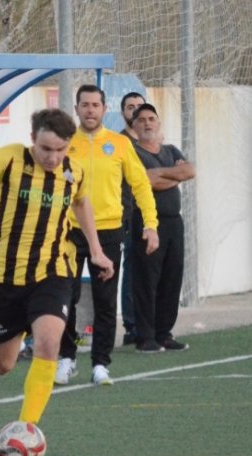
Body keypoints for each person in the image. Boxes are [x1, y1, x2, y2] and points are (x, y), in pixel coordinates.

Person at [0, 108, 113, 426]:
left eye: (60, 150)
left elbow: (82, 202)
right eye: (46, 149)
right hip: (4, 278)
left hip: (52, 272)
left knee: (48, 342)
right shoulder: (12, 158)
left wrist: (97, 251)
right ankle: (23, 328)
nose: (53, 157)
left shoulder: (74, 171)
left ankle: (26, 427)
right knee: (2, 365)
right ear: (33, 140)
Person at [55, 85, 159, 387]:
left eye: (95, 105)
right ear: (76, 109)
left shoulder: (119, 144)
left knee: (104, 301)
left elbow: (140, 185)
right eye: (84, 104)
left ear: (104, 109)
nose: (90, 110)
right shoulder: (63, 144)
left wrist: (150, 224)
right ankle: (67, 358)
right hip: (69, 233)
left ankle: (100, 363)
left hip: (110, 232)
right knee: (65, 297)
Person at [130, 103, 196, 352]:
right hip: (147, 223)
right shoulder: (132, 152)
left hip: (173, 222)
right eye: (142, 120)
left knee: (172, 278)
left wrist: (162, 174)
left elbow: (189, 171)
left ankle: (164, 333)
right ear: (134, 126)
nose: (147, 123)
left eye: (151, 119)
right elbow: (144, 180)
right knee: (147, 279)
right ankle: (145, 336)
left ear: (158, 123)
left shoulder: (170, 149)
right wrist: (174, 175)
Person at [119, 91, 147, 346]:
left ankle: (148, 321)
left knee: (145, 269)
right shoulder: (119, 143)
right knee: (130, 268)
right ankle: (131, 325)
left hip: (149, 215)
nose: (136, 111)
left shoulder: (154, 142)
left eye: (140, 106)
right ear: (123, 113)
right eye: (130, 107)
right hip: (126, 215)